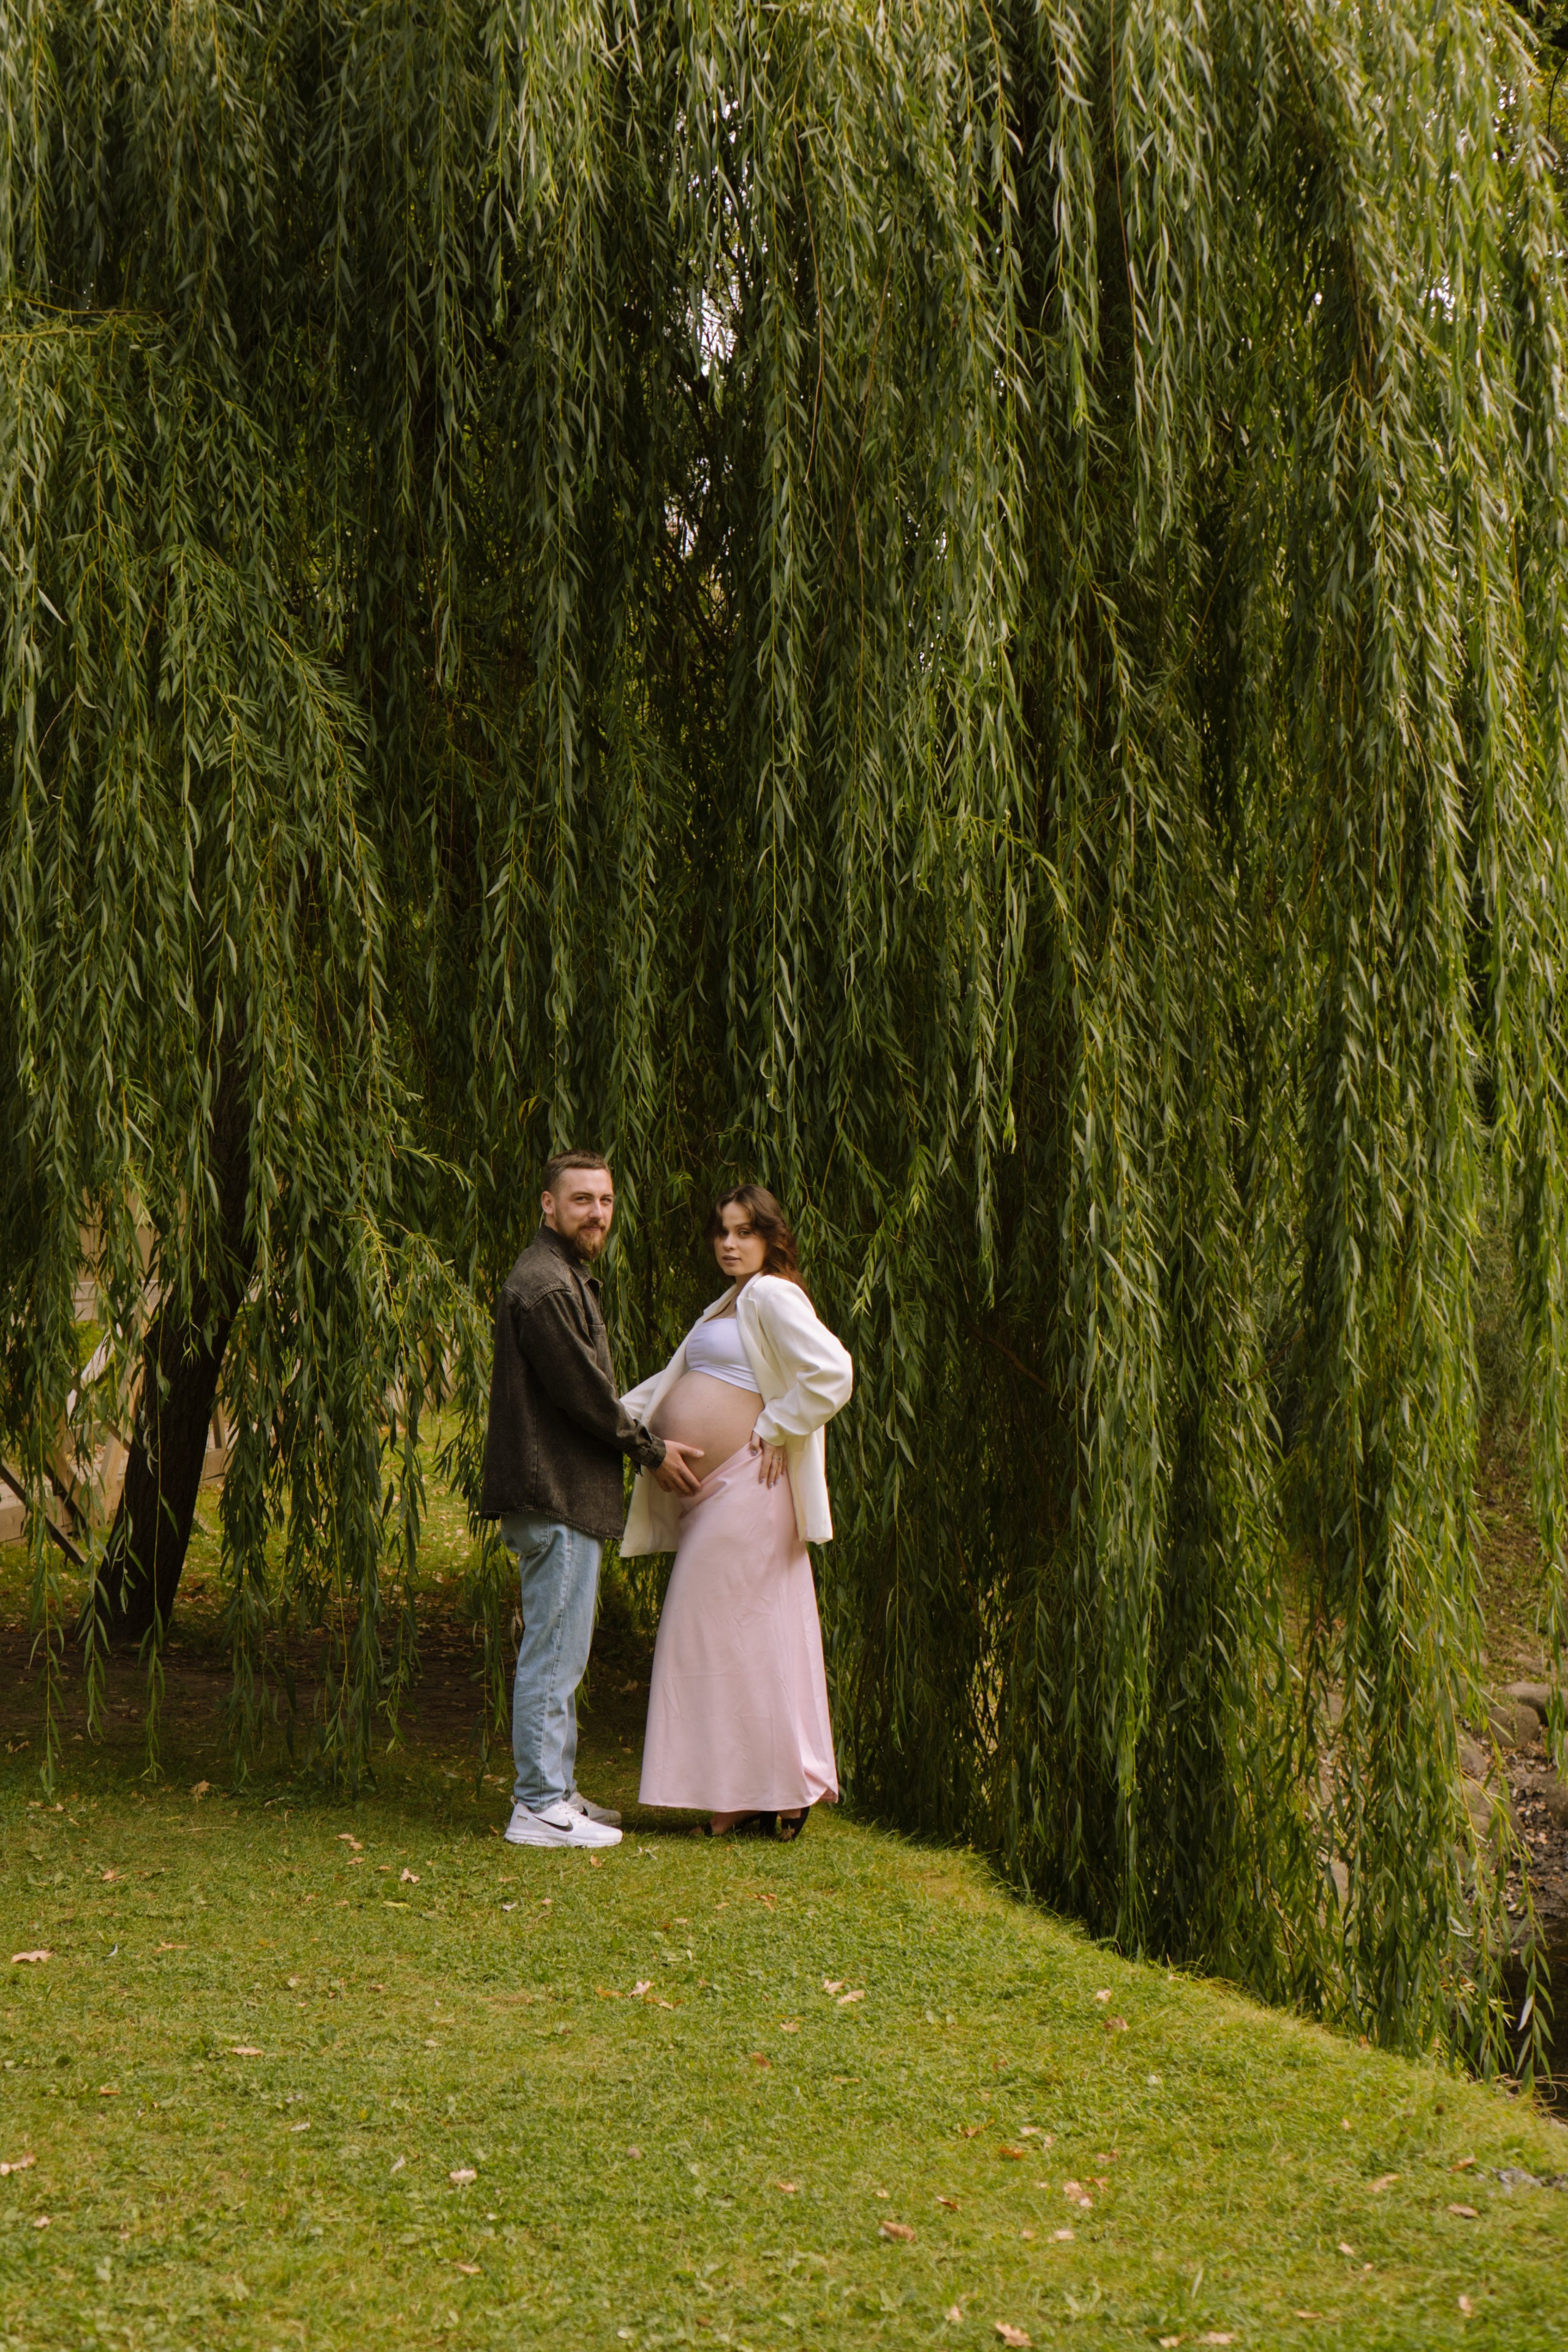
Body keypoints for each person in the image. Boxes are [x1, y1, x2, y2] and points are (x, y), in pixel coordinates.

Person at [480, 1151, 703, 1850]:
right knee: (553, 1652)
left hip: (564, 1494)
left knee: (563, 1650)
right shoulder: (545, 1286)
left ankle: (559, 1792)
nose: (596, 1213)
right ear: (548, 1206)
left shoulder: (563, 1277)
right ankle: (539, 1806)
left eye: (604, 1201)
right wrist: (651, 1450)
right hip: (556, 1494)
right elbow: (584, 1394)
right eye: (581, 1200)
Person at [620, 1185, 853, 1840]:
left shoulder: (773, 1294)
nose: (729, 1244)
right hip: (715, 1495)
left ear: (770, 1237)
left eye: (744, 1231)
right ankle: (754, 1791)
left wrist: (777, 1424)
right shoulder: (725, 1303)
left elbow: (833, 1372)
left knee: (721, 1632)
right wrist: (606, 1414)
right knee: (736, 1638)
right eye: (721, 1232)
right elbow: (669, 1385)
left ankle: (775, 1787)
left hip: (750, 1487)